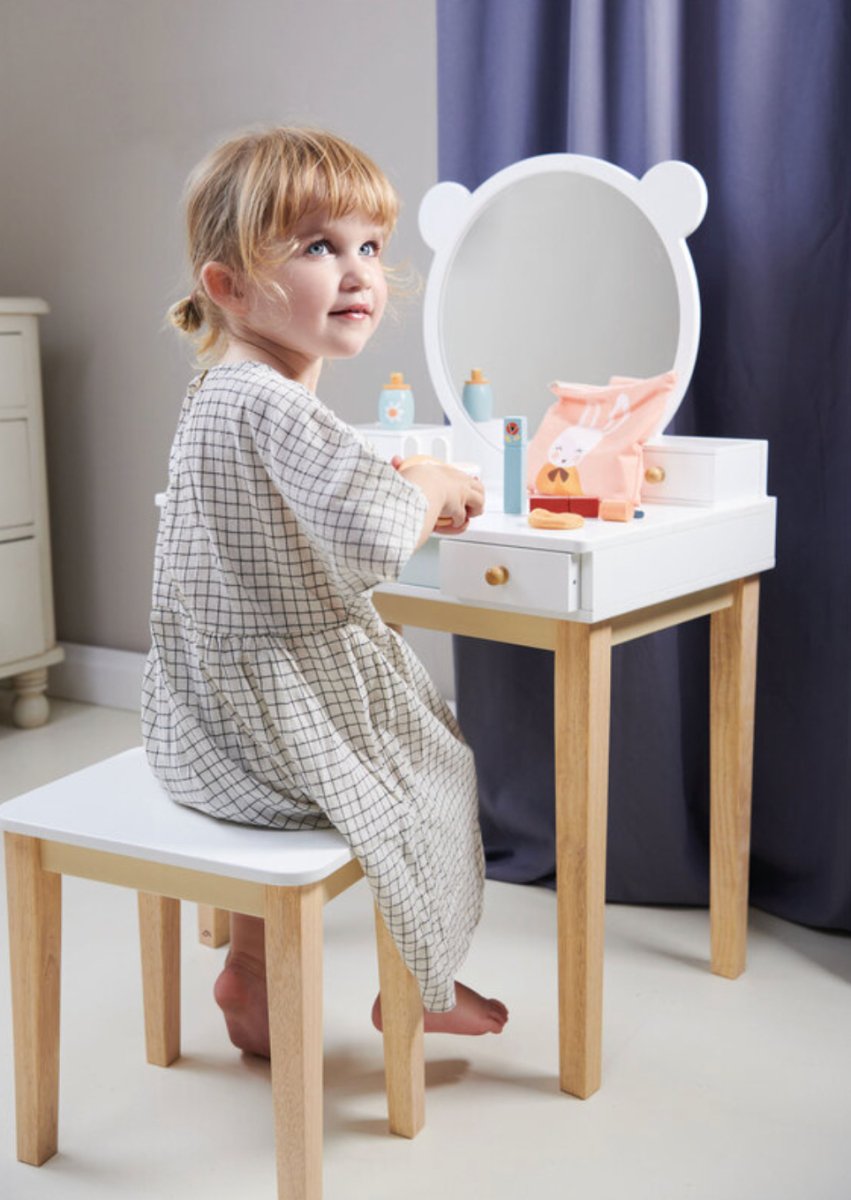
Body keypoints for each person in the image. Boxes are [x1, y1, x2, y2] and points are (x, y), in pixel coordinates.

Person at [141, 127, 508, 1057]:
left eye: (369, 248)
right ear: (225, 286)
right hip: (267, 734)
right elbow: (380, 537)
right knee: (431, 770)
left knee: (390, 759)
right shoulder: (276, 401)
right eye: (317, 246)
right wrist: (426, 486)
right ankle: (421, 986)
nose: (356, 274)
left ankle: (253, 973)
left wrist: (389, 475)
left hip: (194, 721)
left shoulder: (219, 390)